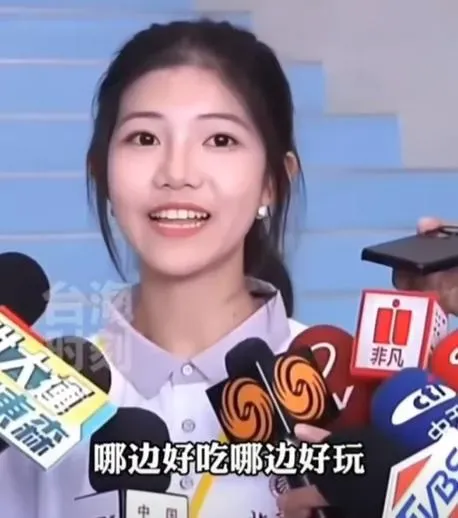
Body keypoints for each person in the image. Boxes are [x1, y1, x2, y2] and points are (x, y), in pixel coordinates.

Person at [0, 19, 456, 518]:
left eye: (219, 140)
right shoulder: (36, 404)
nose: (177, 173)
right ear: (102, 173)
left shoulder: (354, 395)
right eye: (144, 138)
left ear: (273, 182)